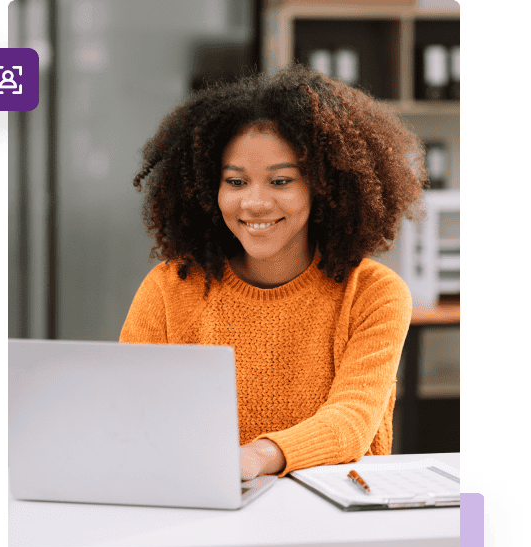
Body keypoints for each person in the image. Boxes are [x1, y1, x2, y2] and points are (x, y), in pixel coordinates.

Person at [120, 62, 428, 481]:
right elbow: (130, 413)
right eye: (236, 182)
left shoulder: (374, 293)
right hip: (204, 511)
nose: (255, 203)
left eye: (281, 182)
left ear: (324, 186)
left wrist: (255, 458)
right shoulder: (169, 288)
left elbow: (351, 422)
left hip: (336, 522)